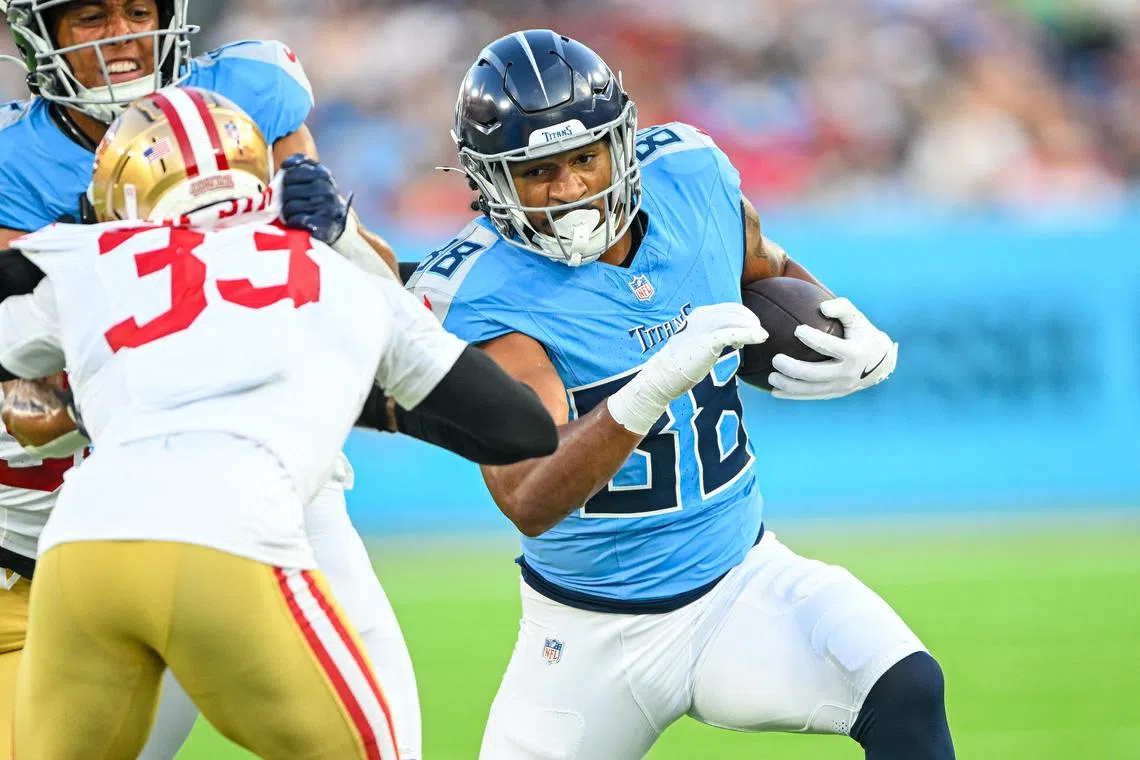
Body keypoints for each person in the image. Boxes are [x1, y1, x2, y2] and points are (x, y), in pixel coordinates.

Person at [402, 30, 954, 760]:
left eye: (583, 159)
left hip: (741, 581)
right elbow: (529, 494)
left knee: (906, 685)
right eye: (537, 171)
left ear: (620, 144)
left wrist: (845, 326)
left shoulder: (692, 177)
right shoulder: (483, 293)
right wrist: (659, 377)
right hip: (588, 635)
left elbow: (764, 264)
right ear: (491, 179)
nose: (568, 189)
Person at [0, 84, 556, 759]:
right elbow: (520, 428)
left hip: (80, 549)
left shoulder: (88, 258)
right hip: (229, 537)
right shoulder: (337, 273)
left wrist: (85, 399)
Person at [0, 2, 418, 755]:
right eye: (91, 16)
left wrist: (338, 238)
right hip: (119, 482)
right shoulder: (13, 164)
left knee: (385, 739)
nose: (124, 35)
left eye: (137, 10)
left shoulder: (247, 96)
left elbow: (382, 302)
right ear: (40, 36)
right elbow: (22, 395)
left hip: (275, 472)